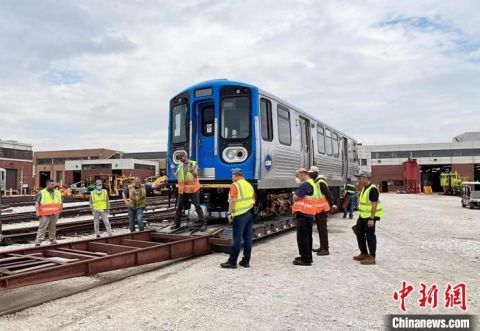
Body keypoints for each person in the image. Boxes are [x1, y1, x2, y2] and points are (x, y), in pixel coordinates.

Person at [220, 168, 255, 269]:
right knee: (248, 239)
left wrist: (230, 213)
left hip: (240, 215)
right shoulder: (249, 185)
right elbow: (253, 199)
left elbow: (233, 200)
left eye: (232, 175)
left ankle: (232, 262)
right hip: (249, 214)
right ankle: (245, 261)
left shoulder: (235, 185)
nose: (232, 177)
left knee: (237, 239)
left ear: (235, 175)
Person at [353, 170, 383, 265]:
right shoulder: (364, 188)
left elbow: (374, 204)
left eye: (360, 178)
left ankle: (372, 257)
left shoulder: (372, 189)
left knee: (370, 236)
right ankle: (364, 253)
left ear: (366, 178)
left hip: (369, 217)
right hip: (362, 216)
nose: (358, 180)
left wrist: (371, 219)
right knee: (358, 232)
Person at [170, 152, 206, 230]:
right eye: (180, 159)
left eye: (182, 158)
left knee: (197, 207)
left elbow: (196, 175)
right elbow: (177, 177)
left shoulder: (193, 164)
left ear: (185, 156)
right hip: (183, 190)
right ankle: (177, 224)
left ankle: (203, 224)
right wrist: (172, 170)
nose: (181, 160)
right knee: (179, 207)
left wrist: (193, 171)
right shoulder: (180, 165)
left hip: (193, 189)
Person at [292, 168, 320, 266]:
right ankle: (308, 257)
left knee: (302, 237)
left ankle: (305, 260)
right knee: (308, 236)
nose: (297, 178)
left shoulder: (305, 184)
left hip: (303, 213)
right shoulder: (312, 183)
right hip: (310, 213)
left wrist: (294, 195)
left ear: (303, 174)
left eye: (298, 175)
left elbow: (296, 196)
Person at [308, 166, 334, 256]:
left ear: (315, 173)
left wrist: (332, 204)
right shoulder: (316, 182)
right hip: (318, 210)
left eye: (311, 173)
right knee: (320, 228)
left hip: (322, 210)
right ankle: (322, 246)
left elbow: (328, 195)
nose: (310, 174)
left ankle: (325, 249)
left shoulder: (320, 182)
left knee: (323, 229)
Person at [34, 179, 63, 246]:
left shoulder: (58, 192)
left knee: (53, 228)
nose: (54, 186)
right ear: (47, 185)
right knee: (42, 228)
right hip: (44, 214)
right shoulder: (41, 192)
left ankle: (53, 240)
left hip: (55, 214)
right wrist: (37, 212)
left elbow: (61, 202)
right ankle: (38, 241)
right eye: (52, 185)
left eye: (54, 184)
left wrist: (60, 210)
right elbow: (37, 203)